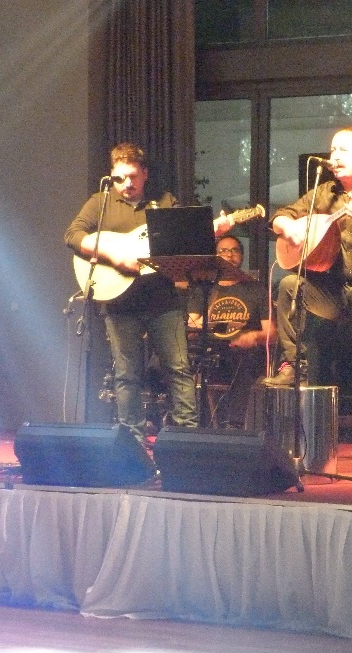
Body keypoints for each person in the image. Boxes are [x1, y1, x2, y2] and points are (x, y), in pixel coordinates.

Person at [64, 142, 232, 446]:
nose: (127, 184)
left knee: (179, 368)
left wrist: (212, 230)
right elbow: (73, 235)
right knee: (127, 374)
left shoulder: (164, 202)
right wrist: (114, 257)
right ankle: (132, 442)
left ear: (144, 173)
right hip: (119, 302)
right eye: (120, 178)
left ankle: (186, 437)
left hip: (162, 299)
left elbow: (184, 240)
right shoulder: (101, 202)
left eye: (133, 176)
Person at [264, 127, 352, 480]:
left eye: (344, 149)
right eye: (332, 150)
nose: (335, 156)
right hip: (337, 290)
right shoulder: (324, 193)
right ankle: (293, 365)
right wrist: (287, 227)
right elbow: (280, 214)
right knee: (290, 284)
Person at [186, 235, 274, 428]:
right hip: (209, 348)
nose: (229, 255)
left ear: (242, 256)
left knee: (246, 358)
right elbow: (191, 328)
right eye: (223, 251)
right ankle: (185, 421)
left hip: (240, 351)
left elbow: (271, 333)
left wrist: (254, 336)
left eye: (234, 250)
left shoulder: (255, 289)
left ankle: (234, 425)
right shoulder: (205, 289)